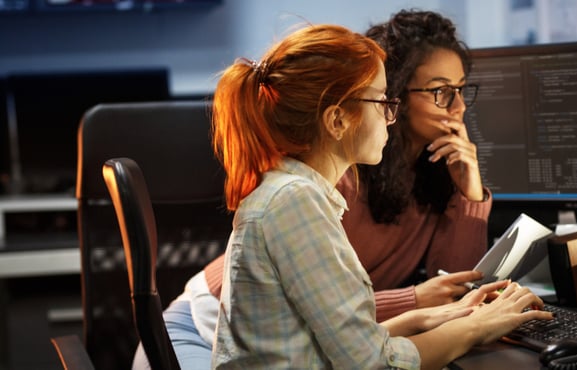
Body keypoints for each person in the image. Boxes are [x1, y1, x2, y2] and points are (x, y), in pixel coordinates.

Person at [133, 9, 499, 369]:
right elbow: (359, 347)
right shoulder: (314, 189)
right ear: (339, 118)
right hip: (199, 327)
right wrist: (427, 308)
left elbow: (447, 290)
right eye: (439, 91)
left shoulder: (337, 182)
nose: (459, 107)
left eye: (461, 90)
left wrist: (469, 194)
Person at [207, 23, 551, 368]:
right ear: (337, 121)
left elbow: (329, 341)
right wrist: (476, 327)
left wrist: (435, 316)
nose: (390, 116)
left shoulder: (299, 192)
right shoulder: (296, 201)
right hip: (198, 321)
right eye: (382, 101)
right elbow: (374, 363)